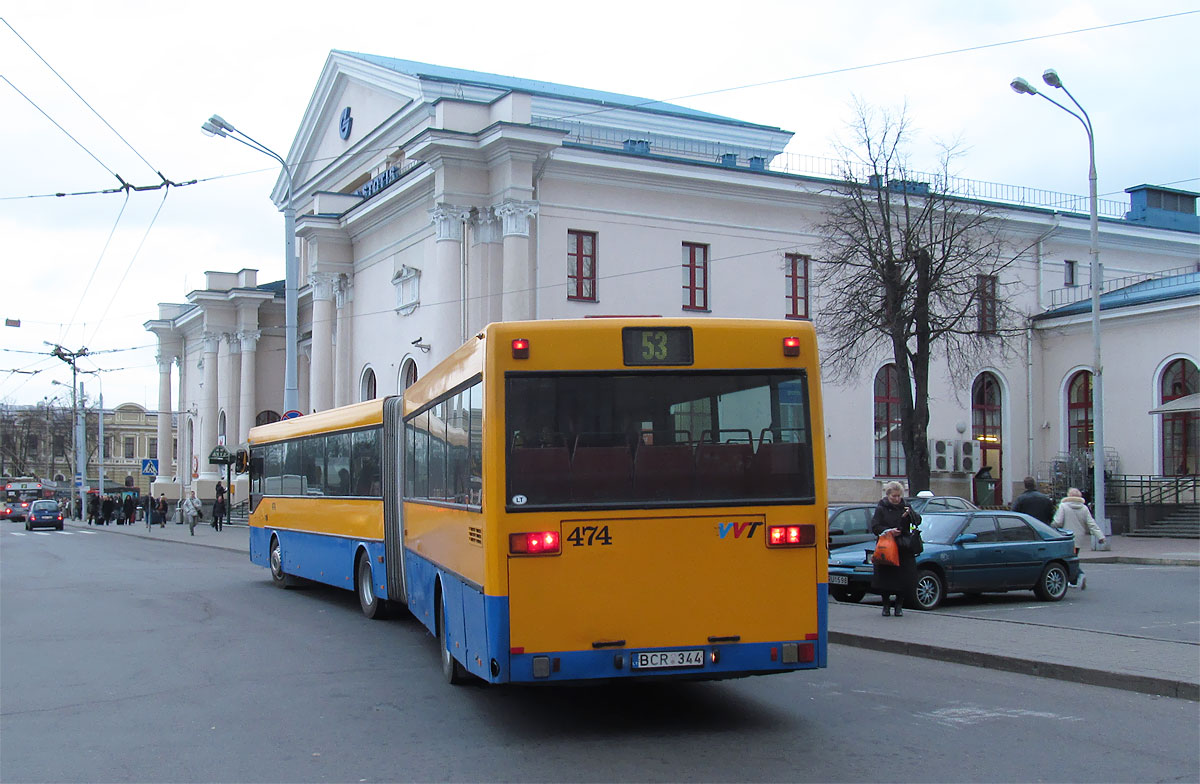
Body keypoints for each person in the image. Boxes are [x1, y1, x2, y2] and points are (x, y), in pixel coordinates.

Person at [870, 481, 921, 617]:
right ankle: (886, 606)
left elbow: (918, 521)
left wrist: (910, 514)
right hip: (886, 547)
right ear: (888, 495)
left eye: (899, 496)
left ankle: (899, 606)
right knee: (886, 578)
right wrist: (888, 531)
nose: (897, 499)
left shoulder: (906, 506)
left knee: (903, 578)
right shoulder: (881, 508)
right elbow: (875, 527)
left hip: (903, 547)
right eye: (894, 496)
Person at [1052, 487, 1105, 590]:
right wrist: (1100, 536)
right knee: (1073, 557)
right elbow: (1091, 524)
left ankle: (1079, 575)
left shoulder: (1063, 506)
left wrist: (1050, 527)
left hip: (1066, 538)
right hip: (1078, 539)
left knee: (1067, 559)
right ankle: (1073, 581)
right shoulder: (1084, 508)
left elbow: (1058, 522)